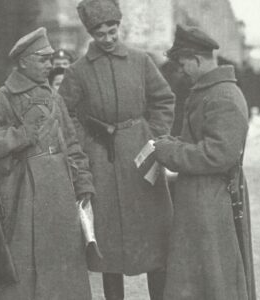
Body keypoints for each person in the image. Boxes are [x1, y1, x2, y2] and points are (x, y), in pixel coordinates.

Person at [0, 27, 95, 300]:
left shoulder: (54, 99)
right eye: (42, 59)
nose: (50, 65)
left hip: (59, 196)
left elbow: (71, 144)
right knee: (20, 276)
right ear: (23, 61)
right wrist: (19, 136)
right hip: (19, 196)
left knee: (61, 273)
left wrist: (82, 182)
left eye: (50, 59)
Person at [59, 0, 175, 299]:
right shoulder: (78, 71)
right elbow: (65, 114)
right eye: (101, 34)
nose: (108, 39)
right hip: (101, 159)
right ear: (91, 34)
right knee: (109, 242)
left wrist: (153, 136)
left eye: (113, 31)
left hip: (142, 157)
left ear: (118, 27)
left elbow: (163, 99)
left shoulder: (141, 61)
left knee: (153, 237)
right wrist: (85, 144)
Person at [154, 24, 256, 300]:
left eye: (183, 64)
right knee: (200, 278)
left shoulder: (222, 96)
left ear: (196, 59)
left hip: (213, 200)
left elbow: (217, 155)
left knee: (214, 278)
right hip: (202, 198)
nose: (182, 72)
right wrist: (173, 142)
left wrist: (169, 153)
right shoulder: (209, 91)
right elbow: (199, 140)